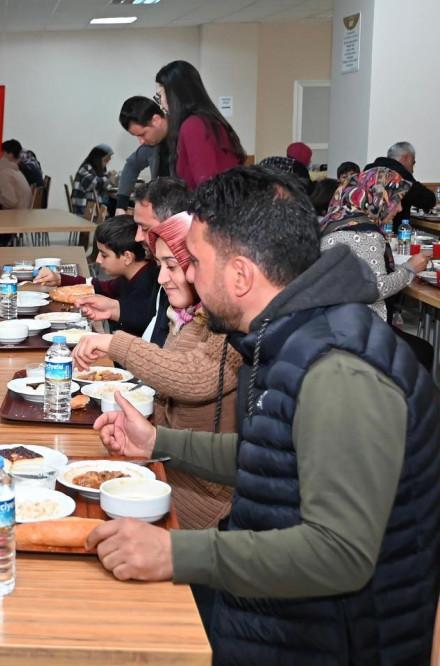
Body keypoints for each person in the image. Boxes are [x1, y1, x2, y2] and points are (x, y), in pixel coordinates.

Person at [88, 165, 440, 665]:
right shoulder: (294, 333)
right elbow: (279, 458)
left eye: (196, 262)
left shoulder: (339, 368)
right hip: (278, 623)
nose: (187, 274)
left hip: (328, 644)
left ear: (240, 275)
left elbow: (340, 553)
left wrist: (176, 553)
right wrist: (158, 443)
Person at [72, 211, 240, 532]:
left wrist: (113, 343)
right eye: (160, 266)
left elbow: (193, 375)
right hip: (166, 484)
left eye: (172, 266)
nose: (161, 278)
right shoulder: (186, 319)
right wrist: (142, 434)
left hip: (203, 513)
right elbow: (172, 407)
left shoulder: (228, 327)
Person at [319, 167, 434, 367]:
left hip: (331, 321)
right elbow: (374, 289)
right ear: (380, 198)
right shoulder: (365, 233)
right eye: (396, 201)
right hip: (361, 328)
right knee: (423, 351)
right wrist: (409, 268)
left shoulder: (335, 222)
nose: (399, 209)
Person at [80, 178, 193, 349]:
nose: (138, 237)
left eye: (145, 228)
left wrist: (116, 345)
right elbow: (151, 328)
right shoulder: (161, 272)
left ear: (173, 225)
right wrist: (113, 308)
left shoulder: (185, 284)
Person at [34, 215, 158, 337]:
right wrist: (60, 278)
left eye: (104, 255)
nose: (98, 260)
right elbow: (99, 287)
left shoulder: (147, 284)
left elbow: (141, 324)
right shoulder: (131, 276)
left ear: (127, 257)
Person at [155, 60, 245, 189]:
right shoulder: (207, 121)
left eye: (160, 96)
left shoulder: (194, 126)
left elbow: (207, 188)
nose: (161, 105)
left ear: (173, 95)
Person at [365, 141, 438, 231]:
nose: (413, 169)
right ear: (405, 158)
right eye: (413, 162)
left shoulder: (369, 169)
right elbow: (429, 199)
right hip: (391, 232)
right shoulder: (398, 173)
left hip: (364, 227)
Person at [117, 96, 171, 211]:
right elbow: (131, 165)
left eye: (142, 134)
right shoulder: (151, 145)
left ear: (156, 120)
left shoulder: (185, 136)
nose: (141, 141)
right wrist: (121, 206)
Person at [71, 144, 117, 216]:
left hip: (92, 208)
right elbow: (92, 183)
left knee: (115, 207)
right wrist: (108, 178)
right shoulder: (86, 168)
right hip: (85, 211)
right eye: (105, 160)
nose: (106, 164)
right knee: (116, 209)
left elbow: (105, 186)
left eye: (107, 161)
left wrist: (112, 179)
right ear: (98, 158)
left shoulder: (96, 170)